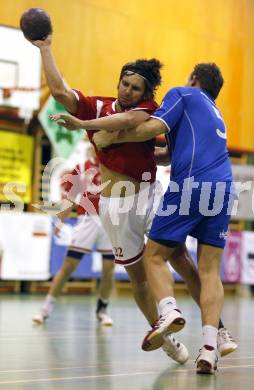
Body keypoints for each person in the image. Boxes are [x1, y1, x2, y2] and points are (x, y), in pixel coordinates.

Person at [27, 34, 190, 364]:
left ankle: (197, 320)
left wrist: (87, 126)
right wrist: (46, 49)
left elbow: (128, 122)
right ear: (118, 83)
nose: (128, 91)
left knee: (175, 255)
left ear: (145, 94)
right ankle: (165, 336)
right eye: (125, 84)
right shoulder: (99, 105)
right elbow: (60, 93)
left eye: (135, 87)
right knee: (137, 280)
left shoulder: (148, 109)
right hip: (113, 207)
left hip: (147, 194)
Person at [91, 62, 234, 374]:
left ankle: (168, 311)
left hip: (191, 183)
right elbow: (167, 153)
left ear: (194, 79)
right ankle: (213, 343)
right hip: (225, 186)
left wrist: (108, 138)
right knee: (210, 270)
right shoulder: (213, 112)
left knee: (155, 255)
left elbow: (151, 127)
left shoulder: (182, 94)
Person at [33, 151, 115, 326]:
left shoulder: (114, 166)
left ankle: (103, 309)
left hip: (109, 221)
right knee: (68, 266)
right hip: (87, 220)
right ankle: (46, 308)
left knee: (109, 269)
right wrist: (60, 222)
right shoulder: (81, 168)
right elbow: (69, 199)